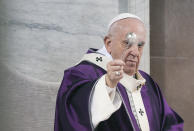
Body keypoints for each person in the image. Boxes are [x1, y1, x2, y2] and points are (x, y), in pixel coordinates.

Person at [54, 13, 183, 131]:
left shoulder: (148, 82)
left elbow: (170, 123)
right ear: (108, 43)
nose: (135, 52)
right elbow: (72, 116)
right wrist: (107, 85)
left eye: (140, 45)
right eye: (127, 43)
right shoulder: (81, 74)